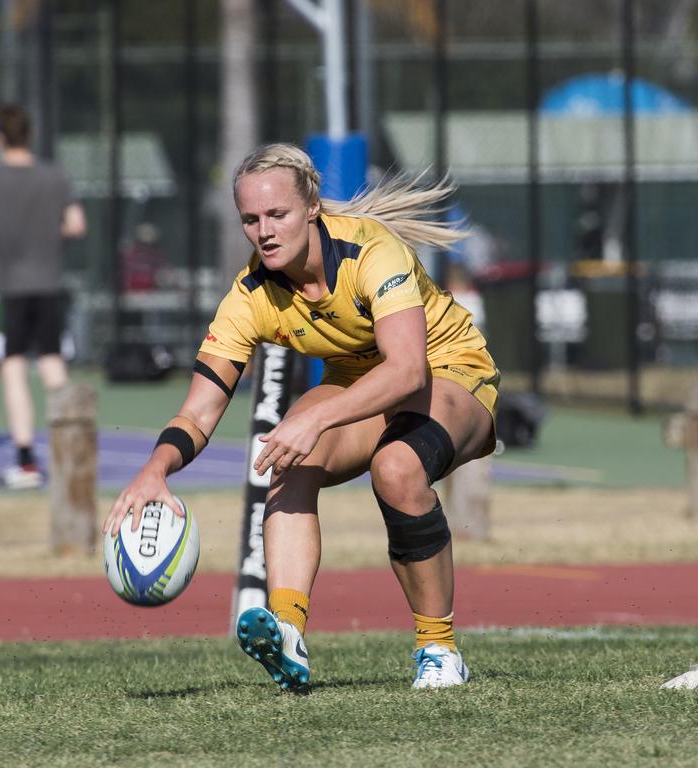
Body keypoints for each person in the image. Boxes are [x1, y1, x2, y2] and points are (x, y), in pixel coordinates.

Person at [103, 143, 499, 691]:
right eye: (250, 219)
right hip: (361, 382)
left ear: (311, 207)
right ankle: (288, 631)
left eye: (277, 215)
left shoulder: (371, 252)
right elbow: (199, 408)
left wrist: (315, 417)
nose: (263, 231)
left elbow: (408, 370)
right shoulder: (249, 296)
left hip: (450, 369)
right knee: (286, 456)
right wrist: (156, 470)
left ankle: (439, 649)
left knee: (397, 469)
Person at [0, 103, 87, 490]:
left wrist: (0, 248)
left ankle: (26, 462)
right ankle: (75, 454)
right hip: (49, 283)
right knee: (53, 366)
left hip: (10, 286)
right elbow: (76, 224)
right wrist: (49, 240)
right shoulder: (54, 177)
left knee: (13, 368)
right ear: (29, 134)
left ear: (0, 137)